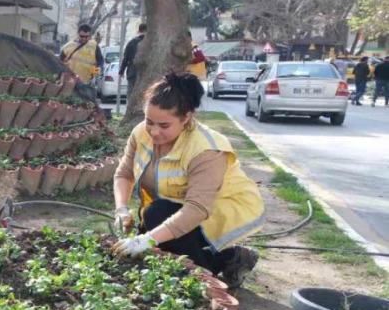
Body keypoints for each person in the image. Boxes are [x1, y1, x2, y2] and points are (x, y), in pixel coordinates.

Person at [111, 72, 264, 289]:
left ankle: (227, 260)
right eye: (149, 122)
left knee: (158, 220)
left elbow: (197, 208)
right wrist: (121, 210)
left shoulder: (205, 149)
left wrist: (146, 240)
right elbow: (124, 174)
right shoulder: (140, 133)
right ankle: (209, 256)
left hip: (218, 207)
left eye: (164, 126)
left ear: (186, 118)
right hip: (173, 207)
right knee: (153, 226)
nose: (154, 131)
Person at [59, 24, 104, 91]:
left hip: (85, 82)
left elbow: (100, 62)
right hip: (69, 82)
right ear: (78, 34)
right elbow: (60, 62)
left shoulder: (94, 46)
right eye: (82, 36)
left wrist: (94, 73)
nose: (84, 38)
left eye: (86, 36)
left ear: (89, 35)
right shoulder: (68, 46)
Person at [119, 23, 146, 95]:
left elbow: (126, 58)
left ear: (139, 31)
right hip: (146, 73)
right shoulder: (152, 42)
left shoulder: (132, 42)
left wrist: (121, 71)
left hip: (132, 72)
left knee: (131, 94)